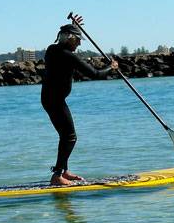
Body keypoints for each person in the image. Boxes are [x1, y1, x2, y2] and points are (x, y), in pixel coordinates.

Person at [41, 16, 118, 186]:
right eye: (77, 40)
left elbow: (64, 37)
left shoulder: (51, 50)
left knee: (65, 135)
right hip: (55, 101)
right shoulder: (68, 56)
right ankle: (57, 176)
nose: (80, 44)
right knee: (70, 137)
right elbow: (95, 74)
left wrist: (74, 28)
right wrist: (111, 68)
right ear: (69, 39)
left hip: (49, 99)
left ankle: (65, 171)